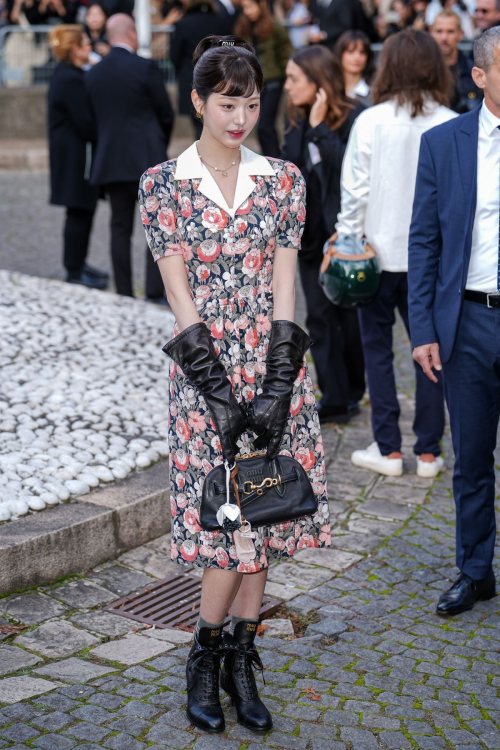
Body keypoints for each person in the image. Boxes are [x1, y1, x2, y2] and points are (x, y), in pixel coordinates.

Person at [139, 34, 330, 735]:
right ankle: (203, 653)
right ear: (197, 101)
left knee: (268, 515)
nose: (239, 117)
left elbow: (287, 283)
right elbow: (177, 291)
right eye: (225, 103)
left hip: (273, 361)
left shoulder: (283, 179)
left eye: (249, 102)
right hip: (202, 371)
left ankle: (241, 663)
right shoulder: (163, 184)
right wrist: (217, 390)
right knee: (230, 527)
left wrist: (280, 380)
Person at [335, 29, 456, 478]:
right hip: (433, 260)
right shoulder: (450, 119)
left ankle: (388, 449)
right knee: (433, 351)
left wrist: (347, 241)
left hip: (376, 253)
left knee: (377, 352)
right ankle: (428, 450)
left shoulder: (370, 120)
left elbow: (354, 193)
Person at [408, 26, 500, 615]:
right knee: (469, 458)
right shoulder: (445, 144)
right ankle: (475, 570)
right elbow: (424, 242)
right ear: (482, 76)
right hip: (468, 323)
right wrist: (422, 330)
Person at [282, 45, 366, 424]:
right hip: (309, 239)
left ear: (318, 83)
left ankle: (352, 391)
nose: (286, 86)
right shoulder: (296, 123)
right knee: (319, 317)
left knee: (348, 319)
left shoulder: (354, 119)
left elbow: (348, 172)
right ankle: (333, 396)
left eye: (293, 79)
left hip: (345, 239)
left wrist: (319, 129)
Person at [86, 13, 174, 300]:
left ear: (109, 37)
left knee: (119, 228)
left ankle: (124, 293)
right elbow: (166, 113)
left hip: (111, 159)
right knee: (156, 228)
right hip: (147, 158)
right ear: (133, 34)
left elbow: (92, 120)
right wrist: (158, 143)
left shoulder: (94, 74)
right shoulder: (145, 67)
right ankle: (153, 290)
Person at [47, 25, 109, 290]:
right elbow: (85, 122)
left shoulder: (70, 74)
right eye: (85, 44)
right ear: (74, 49)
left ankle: (79, 263)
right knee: (79, 210)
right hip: (75, 157)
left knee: (82, 210)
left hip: (75, 155)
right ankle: (73, 270)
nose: (90, 48)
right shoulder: (70, 79)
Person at [235, 0, 293, 157]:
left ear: (261, 5)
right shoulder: (243, 27)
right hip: (253, 84)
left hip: (273, 81)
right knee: (260, 126)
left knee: (265, 126)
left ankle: (274, 161)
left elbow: (287, 54)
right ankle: (271, 159)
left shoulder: (275, 26)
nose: (248, 11)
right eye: (245, 7)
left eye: (251, 6)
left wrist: (288, 78)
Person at [171, 0, 231, 139]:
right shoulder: (221, 22)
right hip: (217, 78)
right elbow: (229, 51)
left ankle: (203, 154)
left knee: (198, 121)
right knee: (212, 120)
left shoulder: (183, 24)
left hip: (190, 79)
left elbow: (174, 56)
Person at [431, 9, 482, 112]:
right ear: (431, 32)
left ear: (460, 34)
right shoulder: (422, 71)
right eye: (439, 31)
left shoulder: (474, 71)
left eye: (450, 31)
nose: (444, 37)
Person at [335, 29, 374, 106]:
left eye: (362, 52)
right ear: (340, 54)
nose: (357, 57)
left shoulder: (375, 91)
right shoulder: (330, 89)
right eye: (350, 51)